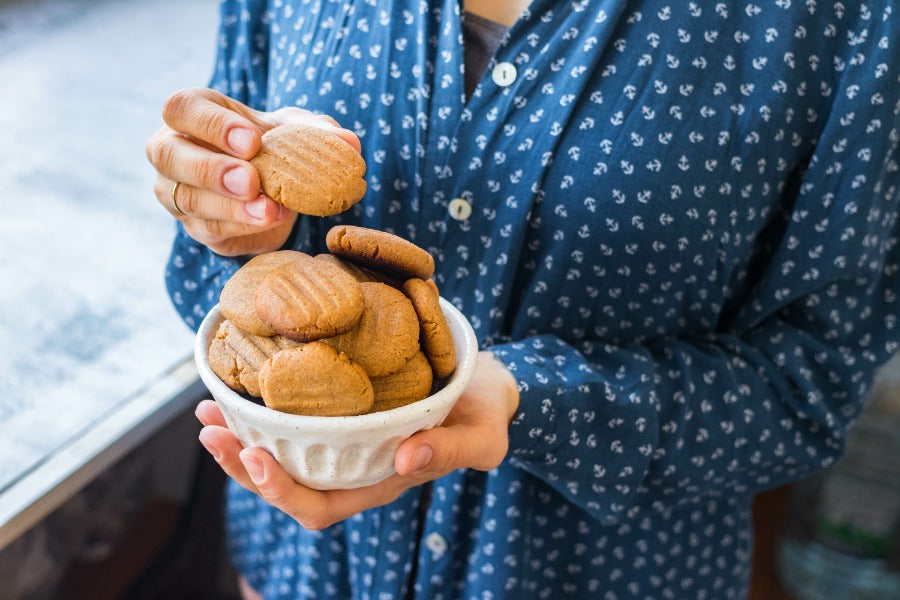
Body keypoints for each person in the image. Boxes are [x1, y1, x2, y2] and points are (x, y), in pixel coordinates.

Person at [147, 0, 899, 597]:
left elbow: (814, 384)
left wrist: (533, 398)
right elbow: (216, 284)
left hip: (600, 574)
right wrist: (223, 220)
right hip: (299, 567)